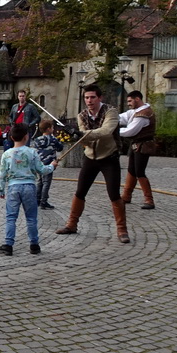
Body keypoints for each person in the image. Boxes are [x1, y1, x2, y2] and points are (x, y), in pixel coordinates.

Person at [56, 84, 129, 243]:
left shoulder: (111, 111)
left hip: (109, 158)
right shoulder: (82, 115)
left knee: (114, 194)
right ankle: (72, 224)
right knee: (80, 191)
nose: (89, 101)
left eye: (92, 97)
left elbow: (106, 131)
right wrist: (76, 135)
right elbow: (86, 142)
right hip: (90, 158)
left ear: (100, 98)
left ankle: (122, 229)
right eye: (86, 98)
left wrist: (82, 134)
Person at [0, 123, 57, 256]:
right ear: (26, 137)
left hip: (13, 187)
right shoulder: (32, 152)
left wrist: (0, 190)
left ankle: (8, 244)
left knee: (11, 217)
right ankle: (34, 245)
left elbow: (2, 175)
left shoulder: (7, 154)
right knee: (31, 218)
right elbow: (41, 170)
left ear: (11, 137)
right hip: (29, 187)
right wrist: (52, 166)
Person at [119, 90, 157, 209]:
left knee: (139, 171)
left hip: (143, 145)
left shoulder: (143, 114)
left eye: (130, 101)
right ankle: (126, 196)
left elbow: (131, 130)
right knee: (132, 170)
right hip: (136, 144)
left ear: (137, 99)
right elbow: (123, 117)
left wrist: (113, 131)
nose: (128, 103)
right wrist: (108, 118)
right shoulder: (136, 112)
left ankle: (149, 200)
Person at [31, 120, 64, 209]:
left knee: (40, 181)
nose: (53, 129)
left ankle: (37, 199)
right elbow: (60, 148)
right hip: (49, 164)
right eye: (52, 127)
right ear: (49, 129)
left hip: (39, 163)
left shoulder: (37, 140)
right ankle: (43, 201)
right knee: (46, 182)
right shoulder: (53, 139)